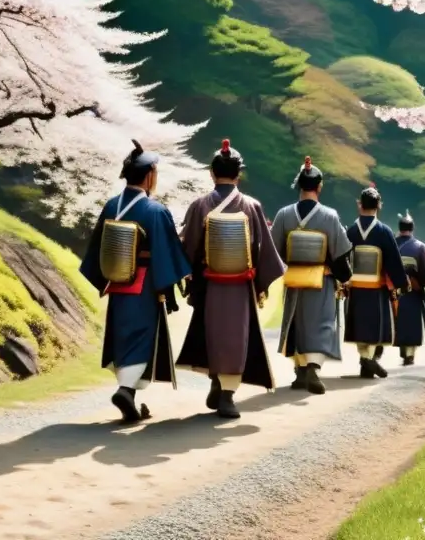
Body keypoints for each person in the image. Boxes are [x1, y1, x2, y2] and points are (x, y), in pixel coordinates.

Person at [79, 140, 192, 423]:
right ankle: (126, 391)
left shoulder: (111, 205)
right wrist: (184, 276)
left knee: (122, 333)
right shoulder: (155, 211)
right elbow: (168, 251)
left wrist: (103, 277)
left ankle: (129, 395)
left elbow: (96, 249)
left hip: (117, 282)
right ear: (150, 175)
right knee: (141, 336)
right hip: (144, 284)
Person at [176, 138, 286, 419]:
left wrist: (189, 277)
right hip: (241, 285)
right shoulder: (251, 206)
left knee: (211, 334)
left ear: (212, 173)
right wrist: (260, 284)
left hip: (210, 284)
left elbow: (187, 247)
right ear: (239, 174)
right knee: (236, 336)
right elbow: (264, 251)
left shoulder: (200, 206)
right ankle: (226, 394)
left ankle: (218, 384)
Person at [271, 157, 352, 394]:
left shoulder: (284, 215)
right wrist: (344, 277)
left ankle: (300, 371)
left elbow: (274, 250)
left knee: (297, 323)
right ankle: (313, 369)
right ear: (319, 186)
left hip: (295, 279)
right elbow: (339, 254)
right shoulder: (330, 216)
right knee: (321, 323)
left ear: (299, 185)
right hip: (322, 279)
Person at [344, 183, 408, 379]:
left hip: (355, 286)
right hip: (375, 287)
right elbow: (393, 261)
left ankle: (365, 358)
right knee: (374, 326)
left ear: (359, 204)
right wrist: (401, 284)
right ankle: (368, 360)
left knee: (359, 324)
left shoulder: (351, 231)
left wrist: (343, 281)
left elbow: (343, 258)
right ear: (379, 205)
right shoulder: (384, 231)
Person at [393, 210, 425, 366]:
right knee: (412, 322)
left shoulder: (390, 243)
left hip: (393, 291)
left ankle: (399, 349)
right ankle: (410, 353)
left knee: (396, 321)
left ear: (399, 228)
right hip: (414, 291)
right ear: (412, 229)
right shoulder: (421, 247)